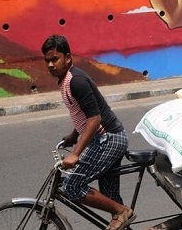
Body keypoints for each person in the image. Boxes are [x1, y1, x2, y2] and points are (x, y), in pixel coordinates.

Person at [41, 35, 135, 230]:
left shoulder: (77, 81)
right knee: (110, 196)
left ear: (68, 58)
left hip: (109, 138)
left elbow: (95, 119)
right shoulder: (67, 80)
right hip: (104, 138)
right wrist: (74, 135)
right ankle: (119, 214)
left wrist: (75, 153)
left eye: (55, 59)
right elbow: (85, 113)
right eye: (47, 60)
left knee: (72, 186)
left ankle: (122, 212)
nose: (50, 64)